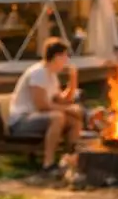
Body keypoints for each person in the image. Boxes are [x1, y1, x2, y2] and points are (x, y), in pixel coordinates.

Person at [7, 37, 83, 174]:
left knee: (74, 120)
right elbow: (41, 105)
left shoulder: (51, 75)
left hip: (37, 117)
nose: (66, 60)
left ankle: (70, 159)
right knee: (58, 117)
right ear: (56, 57)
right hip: (21, 121)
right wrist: (68, 110)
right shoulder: (39, 73)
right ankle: (48, 163)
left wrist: (73, 79)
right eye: (65, 56)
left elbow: (64, 100)